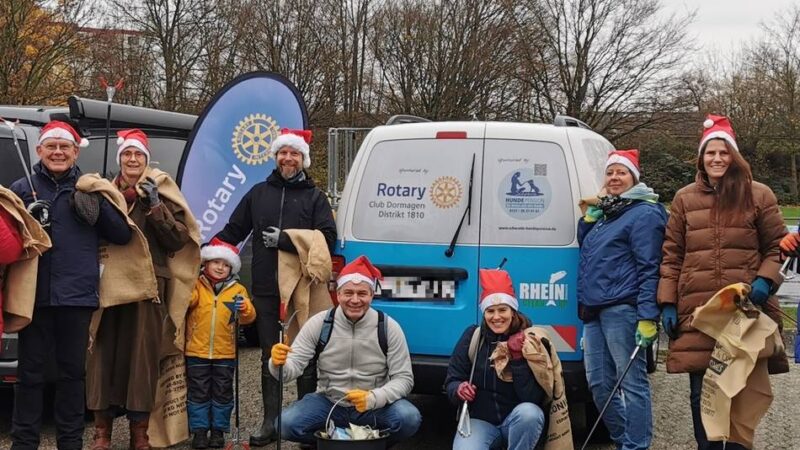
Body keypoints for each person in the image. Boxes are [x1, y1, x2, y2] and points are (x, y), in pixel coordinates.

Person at [659, 115, 787, 450]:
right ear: (701, 158)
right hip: (699, 314)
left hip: (743, 314)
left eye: (723, 152)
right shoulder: (684, 199)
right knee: (704, 396)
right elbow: (672, 255)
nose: (716, 159)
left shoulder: (759, 195)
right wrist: (668, 302)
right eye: (710, 153)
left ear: (734, 155)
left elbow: (777, 247)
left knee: (740, 395)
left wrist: (765, 280)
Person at [9, 120, 132, 450]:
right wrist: (27, 223)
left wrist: (97, 210)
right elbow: (6, 243)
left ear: (76, 152)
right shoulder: (21, 189)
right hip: (32, 295)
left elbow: (122, 235)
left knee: (71, 376)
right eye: (51, 146)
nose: (58, 152)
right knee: (29, 376)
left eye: (65, 147)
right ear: (40, 150)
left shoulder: (92, 188)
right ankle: (24, 443)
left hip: (77, 296)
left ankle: (70, 442)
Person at [212, 127, 336, 446]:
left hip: (302, 291)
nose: (288, 158)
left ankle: (307, 423)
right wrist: (208, 255)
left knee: (305, 356)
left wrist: (286, 240)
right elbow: (233, 230)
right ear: (276, 156)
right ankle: (270, 421)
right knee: (271, 355)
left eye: (294, 153)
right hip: (266, 290)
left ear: (303, 159)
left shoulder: (315, 197)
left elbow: (327, 240)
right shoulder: (258, 193)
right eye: (283, 152)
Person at [86, 129, 194, 450]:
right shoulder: (103, 193)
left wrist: (155, 207)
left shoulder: (160, 192)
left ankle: (139, 432)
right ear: (120, 159)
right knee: (101, 356)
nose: (132, 160)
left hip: (149, 288)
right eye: (127, 155)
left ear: (146, 160)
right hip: (110, 285)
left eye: (138, 155)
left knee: (142, 359)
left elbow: (178, 240)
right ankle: (101, 432)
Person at [269, 255, 421, 447]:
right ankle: (332, 443)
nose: (355, 300)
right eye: (348, 293)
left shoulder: (388, 327)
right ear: (338, 294)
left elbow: (405, 379)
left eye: (362, 293)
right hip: (329, 402)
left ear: (372, 295)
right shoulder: (320, 323)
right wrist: (277, 363)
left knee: (409, 418)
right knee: (285, 424)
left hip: (373, 406)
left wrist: (373, 398)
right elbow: (290, 370)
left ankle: (371, 444)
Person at [575, 149, 666, 450]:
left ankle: (636, 445)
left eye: (621, 173)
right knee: (599, 385)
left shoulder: (644, 213)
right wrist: (590, 218)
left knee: (632, 383)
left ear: (634, 178)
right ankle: (623, 438)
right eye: (610, 172)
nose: (614, 178)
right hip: (594, 310)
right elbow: (588, 247)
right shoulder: (610, 211)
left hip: (622, 309)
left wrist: (647, 315)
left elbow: (650, 267)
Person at [445, 268, 546, 450]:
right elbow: (452, 380)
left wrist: (517, 358)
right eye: (490, 311)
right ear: (484, 313)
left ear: (513, 311)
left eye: (502, 310)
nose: (497, 317)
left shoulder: (529, 340)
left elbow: (533, 398)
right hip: (480, 421)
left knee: (531, 414)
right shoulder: (472, 337)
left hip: (515, 420)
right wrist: (458, 390)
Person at [186, 238, 256, 449]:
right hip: (197, 350)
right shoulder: (196, 284)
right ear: (205, 263)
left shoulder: (238, 290)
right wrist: (189, 284)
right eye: (216, 262)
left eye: (226, 265)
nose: (220, 267)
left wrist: (245, 309)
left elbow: (248, 319)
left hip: (225, 352)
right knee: (198, 392)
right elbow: (185, 302)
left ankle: (218, 431)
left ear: (232, 268)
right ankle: (199, 431)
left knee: (223, 392)